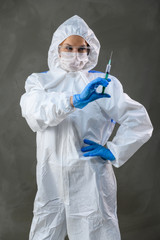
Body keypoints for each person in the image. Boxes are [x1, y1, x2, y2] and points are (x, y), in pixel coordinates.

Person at [20, 15, 153, 240]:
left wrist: (115, 149)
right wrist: (73, 101)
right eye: (69, 47)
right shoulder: (40, 82)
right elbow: (34, 113)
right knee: (46, 231)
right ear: (57, 49)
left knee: (96, 231)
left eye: (82, 49)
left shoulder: (102, 84)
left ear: (90, 51)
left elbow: (138, 119)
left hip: (91, 178)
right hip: (51, 178)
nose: (76, 54)